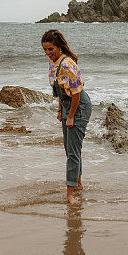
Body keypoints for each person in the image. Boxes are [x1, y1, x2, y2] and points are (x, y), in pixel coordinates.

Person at [41, 29, 92, 204]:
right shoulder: (53, 62)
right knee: (70, 148)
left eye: (51, 49)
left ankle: (70, 194)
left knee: (72, 152)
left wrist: (70, 117)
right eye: (45, 49)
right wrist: (60, 110)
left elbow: (76, 94)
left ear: (59, 47)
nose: (48, 53)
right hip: (67, 106)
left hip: (79, 108)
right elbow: (61, 91)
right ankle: (77, 183)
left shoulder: (67, 64)